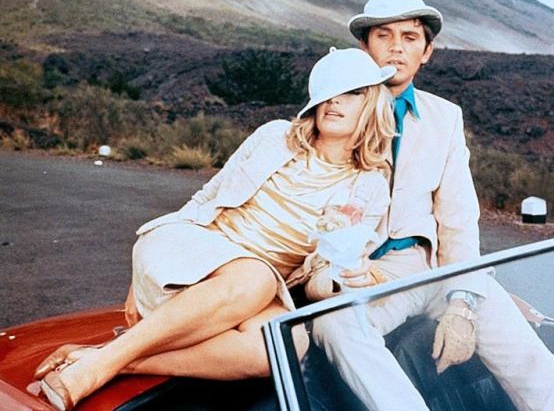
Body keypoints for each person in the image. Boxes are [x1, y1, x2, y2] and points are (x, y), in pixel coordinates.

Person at [34, 47, 396, 411]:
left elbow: (319, 279)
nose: (335, 101)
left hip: (255, 290)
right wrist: (141, 276)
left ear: (373, 104)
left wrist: (347, 278)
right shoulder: (275, 136)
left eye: (352, 92)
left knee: (287, 344)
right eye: (329, 90)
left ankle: (113, 359)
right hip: (194, 251)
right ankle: (93, 372)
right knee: (255, 277)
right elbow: (207, 195)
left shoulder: (370, 186)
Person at [311, 0, 554, 410]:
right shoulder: (333, 112)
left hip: (434, 267)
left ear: (426, 52)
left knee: (528, 356)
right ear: (364, 47)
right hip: (366, 275)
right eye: (384, 36)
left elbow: (458, 220)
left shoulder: (444, 117)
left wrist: (462, 302)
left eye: (409, 37)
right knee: (335, 326)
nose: (396, 48)